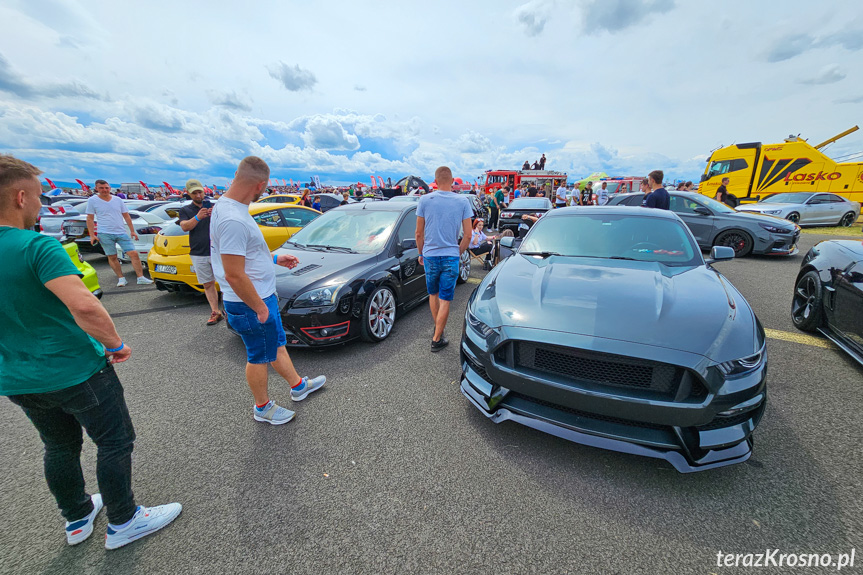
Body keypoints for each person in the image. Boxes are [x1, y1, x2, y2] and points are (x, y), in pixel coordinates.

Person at [0, 155, 182, 550]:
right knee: (114, 441)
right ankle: (124, 520)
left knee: (58, 445)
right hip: (74, 369)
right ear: (19, 197)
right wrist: (116, 344)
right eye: (36, 196)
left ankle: (77, 515)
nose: (39, 204)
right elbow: (85, 305)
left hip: (16, 376)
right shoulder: (35, 246)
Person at [211, 156, 326, 425]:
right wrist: (260, 307)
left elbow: (243, 257)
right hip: (250, 301)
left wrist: (274, 259)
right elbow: (234, 273)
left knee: (275, 344)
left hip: (259, 294)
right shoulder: (233, 219)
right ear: (260, 185)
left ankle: (298, 386)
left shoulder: (227, 207)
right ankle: (262, 407)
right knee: (259, 355)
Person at [416, 166, 473, 352]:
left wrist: (420, 253)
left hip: (430, 255)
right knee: (446, 298)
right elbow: (468, 235)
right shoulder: (462, 201)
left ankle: (437, 333)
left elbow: (419, 233)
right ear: (452, 181)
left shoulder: (424, 200)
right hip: (450, 255)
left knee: (433, 294)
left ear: (436, 180)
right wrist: (458, 252)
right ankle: (437, 337)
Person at [85, 179, 153, 287]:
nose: (104, 190)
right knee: (112, 256)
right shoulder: (92, 200)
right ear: (96, 188)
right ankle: (121, 278)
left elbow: (126, 216)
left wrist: (132, 231)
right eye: (101, 188)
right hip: (104, 233)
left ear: (109, 188)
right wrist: (92, 235)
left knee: (134, 254)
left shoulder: (117, 200)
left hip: (121, 231)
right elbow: (90, 218)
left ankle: (140, 277)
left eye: (106, 188)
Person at [177, 179, 222, 325]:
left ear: (204, 191)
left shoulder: (215, 207)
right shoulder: (186, 210)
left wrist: (215, 215)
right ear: (188, 194)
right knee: (208, 284)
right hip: (198, 252)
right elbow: (185, 227)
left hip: (218, 251)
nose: (198, 195)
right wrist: (197, 217)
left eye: (200, 192)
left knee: (228, 281)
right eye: (194, 193)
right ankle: (215, 311)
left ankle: (232, 311)